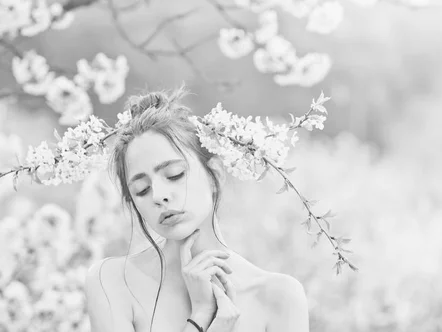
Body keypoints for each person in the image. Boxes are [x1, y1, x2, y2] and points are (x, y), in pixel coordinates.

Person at [84, 85, 309, 332]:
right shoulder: (112, 281)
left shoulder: (279, 297)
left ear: (215, 174)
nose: (159, 196)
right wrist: (202, 318)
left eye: (174, 174)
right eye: (142, 190)